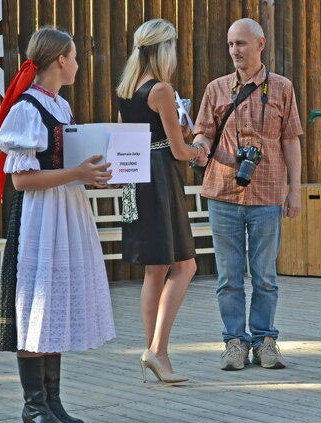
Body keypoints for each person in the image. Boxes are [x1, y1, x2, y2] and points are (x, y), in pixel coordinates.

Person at [0, 28, 116, 422]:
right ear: (61, 60)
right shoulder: (27, 109)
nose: (78, 64)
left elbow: (67, 165)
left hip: (66, 210)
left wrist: (90, 174)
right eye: (75, 57)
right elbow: (21, 180)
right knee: (36, 305)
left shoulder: (60, 106)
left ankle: (52, 403)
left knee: (54, 304)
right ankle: (34, 408)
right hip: (41, 216)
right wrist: (76, 172)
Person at [192, 18, 302, 370]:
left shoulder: (282, 88)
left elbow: (290, 140)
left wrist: (294, 190)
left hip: (268, 192)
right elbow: (204, 134)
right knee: (228, 276)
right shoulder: (216, 89)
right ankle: (234, 343)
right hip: (222, 191)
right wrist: (197, 145)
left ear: (260, 44)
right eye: (230, 45)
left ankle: (266, 341)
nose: (235, 51)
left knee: (265, 275)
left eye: (241, 43)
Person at [116, 19, 203, 384]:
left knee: (155, 271)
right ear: (165, 48)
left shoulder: (125, 89)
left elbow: (123, 139)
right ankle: (158, 351)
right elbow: (180, 149)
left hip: (136, 182)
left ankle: (154, 352)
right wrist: (199, 149)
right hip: (161, 181)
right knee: (185, 267)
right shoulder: (161, 90)